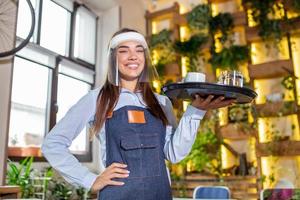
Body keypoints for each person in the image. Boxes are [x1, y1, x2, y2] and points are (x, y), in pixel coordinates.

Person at [42, 28, 234, 200]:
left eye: (139, 50)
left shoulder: (161, 102)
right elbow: (53, 144)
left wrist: (196, 111)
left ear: (145, 58)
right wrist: (90, 180)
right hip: (118, 194)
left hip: (160, 194)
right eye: (123, 50)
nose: (133, 56)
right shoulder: (97, 99)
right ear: (113, 59)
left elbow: (173, 154)